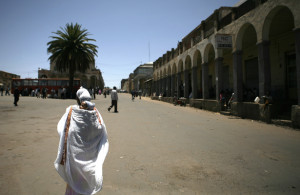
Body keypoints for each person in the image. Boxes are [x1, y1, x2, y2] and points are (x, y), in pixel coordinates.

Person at [54, 87, 109, 195]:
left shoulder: (71, 111)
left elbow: (61, 129)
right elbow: (102, 132)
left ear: (78, 99)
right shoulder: (95, 113)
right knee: (86, 185)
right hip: (90, 159)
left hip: (74, 158)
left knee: (74, 185)